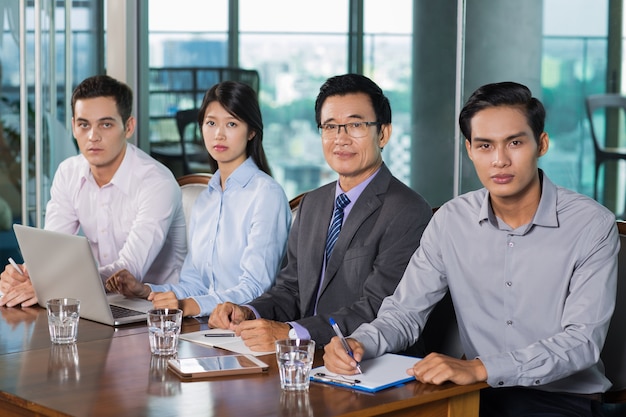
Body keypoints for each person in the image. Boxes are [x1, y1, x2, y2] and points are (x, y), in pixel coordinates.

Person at [323, 81, 619, 417]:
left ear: (542, 144)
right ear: (470, 150)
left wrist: (481, 369)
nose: (500, 160)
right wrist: (362, 342)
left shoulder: (591, 224)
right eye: (485, 146)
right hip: (474, 395)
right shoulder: (451, 220)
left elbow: (582, 343)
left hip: (563, 400)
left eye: (515, 143)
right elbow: (404, 312)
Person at [209, 73, 432, 352]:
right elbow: (289, 289)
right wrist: (248, 312)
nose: (340, 138)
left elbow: (378, 307)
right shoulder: (312, 203)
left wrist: (292, 332)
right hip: (303, 359)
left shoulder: (407, 210)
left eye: (355, 125)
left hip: (368, 364)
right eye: (330, 127)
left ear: (383, 133)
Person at [105, 81, 291, 317]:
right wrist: (145, 291)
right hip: (204, 327)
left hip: (246, 330)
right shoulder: (206, 200)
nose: (219, 134)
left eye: (232, 124)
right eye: (211, 123)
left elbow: (255, 289)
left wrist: (187, 306)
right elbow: (195, 286)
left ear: (252, 131)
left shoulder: (266, 195)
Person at [0, 75, 186, 308]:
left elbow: (129, 269)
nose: (92, 136)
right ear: (73, 126)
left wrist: (48, 284)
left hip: (156, 310)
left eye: (106, 124)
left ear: (128, 127)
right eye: (84, 124)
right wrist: (27, 273)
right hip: (98, 303)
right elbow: (53, 251)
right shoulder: (69, 172)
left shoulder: (156, 182)